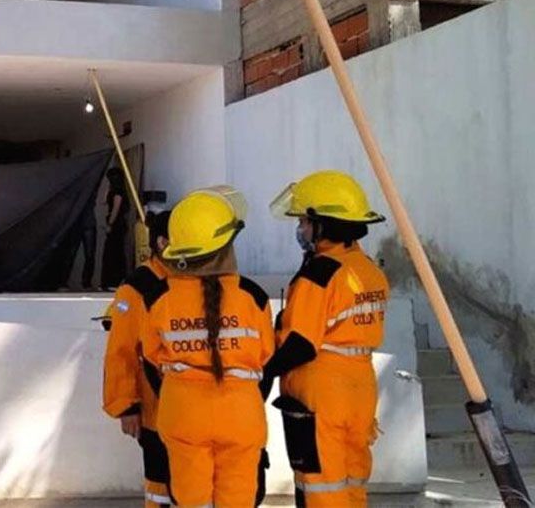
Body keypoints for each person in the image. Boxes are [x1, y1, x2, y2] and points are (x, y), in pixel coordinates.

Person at [260, 170, 390, 507]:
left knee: (321, 484)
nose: (300, 229)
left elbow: (302, 343)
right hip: (360, 384)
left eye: (304, 221)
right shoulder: (369, 269)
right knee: (353, 478)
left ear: (324, 225)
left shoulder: (319, 274)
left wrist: (264, 369)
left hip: (321, 391)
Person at [141, 187, 274, 507]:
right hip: (241, 411)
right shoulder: (253, 296)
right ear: (227, 247)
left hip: (183, 410)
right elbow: (266, 354)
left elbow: (151, 355)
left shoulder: (158, 297)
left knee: (192, 501)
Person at [100, 209, 172, 507]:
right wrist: (126, 406)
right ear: (161, 242)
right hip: (154, 412)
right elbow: (121, 351)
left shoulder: (190, 281)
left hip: (193, 411)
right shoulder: (138, 287)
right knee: (160, 485)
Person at [100, 167, 131, 289]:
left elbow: (115, 210)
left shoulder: (118, 193)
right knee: (112, 252)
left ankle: (114, 280)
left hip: (117, 225)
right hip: (117, 224)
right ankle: (112, 281)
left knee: (114, 252)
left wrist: (110, 224)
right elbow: (103, 201)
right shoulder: (116, 191)